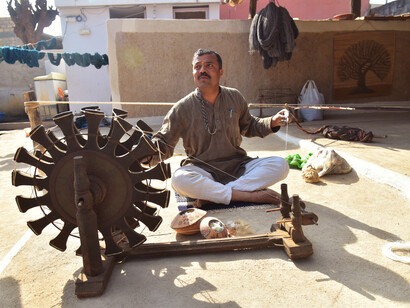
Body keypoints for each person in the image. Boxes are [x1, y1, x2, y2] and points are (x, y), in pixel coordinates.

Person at [149, 48, 289, 208]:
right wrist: (146, 153)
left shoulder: (235, 97)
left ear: (220, 72)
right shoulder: (182, 107)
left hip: (238, 166)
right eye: (197, 66)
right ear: (193, 72)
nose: (202, 70)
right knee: (179, 179)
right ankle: (249, 195)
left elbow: (249, 126)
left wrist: (273, 121)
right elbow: (164, 143)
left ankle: (214, 195)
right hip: (202, 169)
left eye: (209, 66)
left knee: (280, 165)